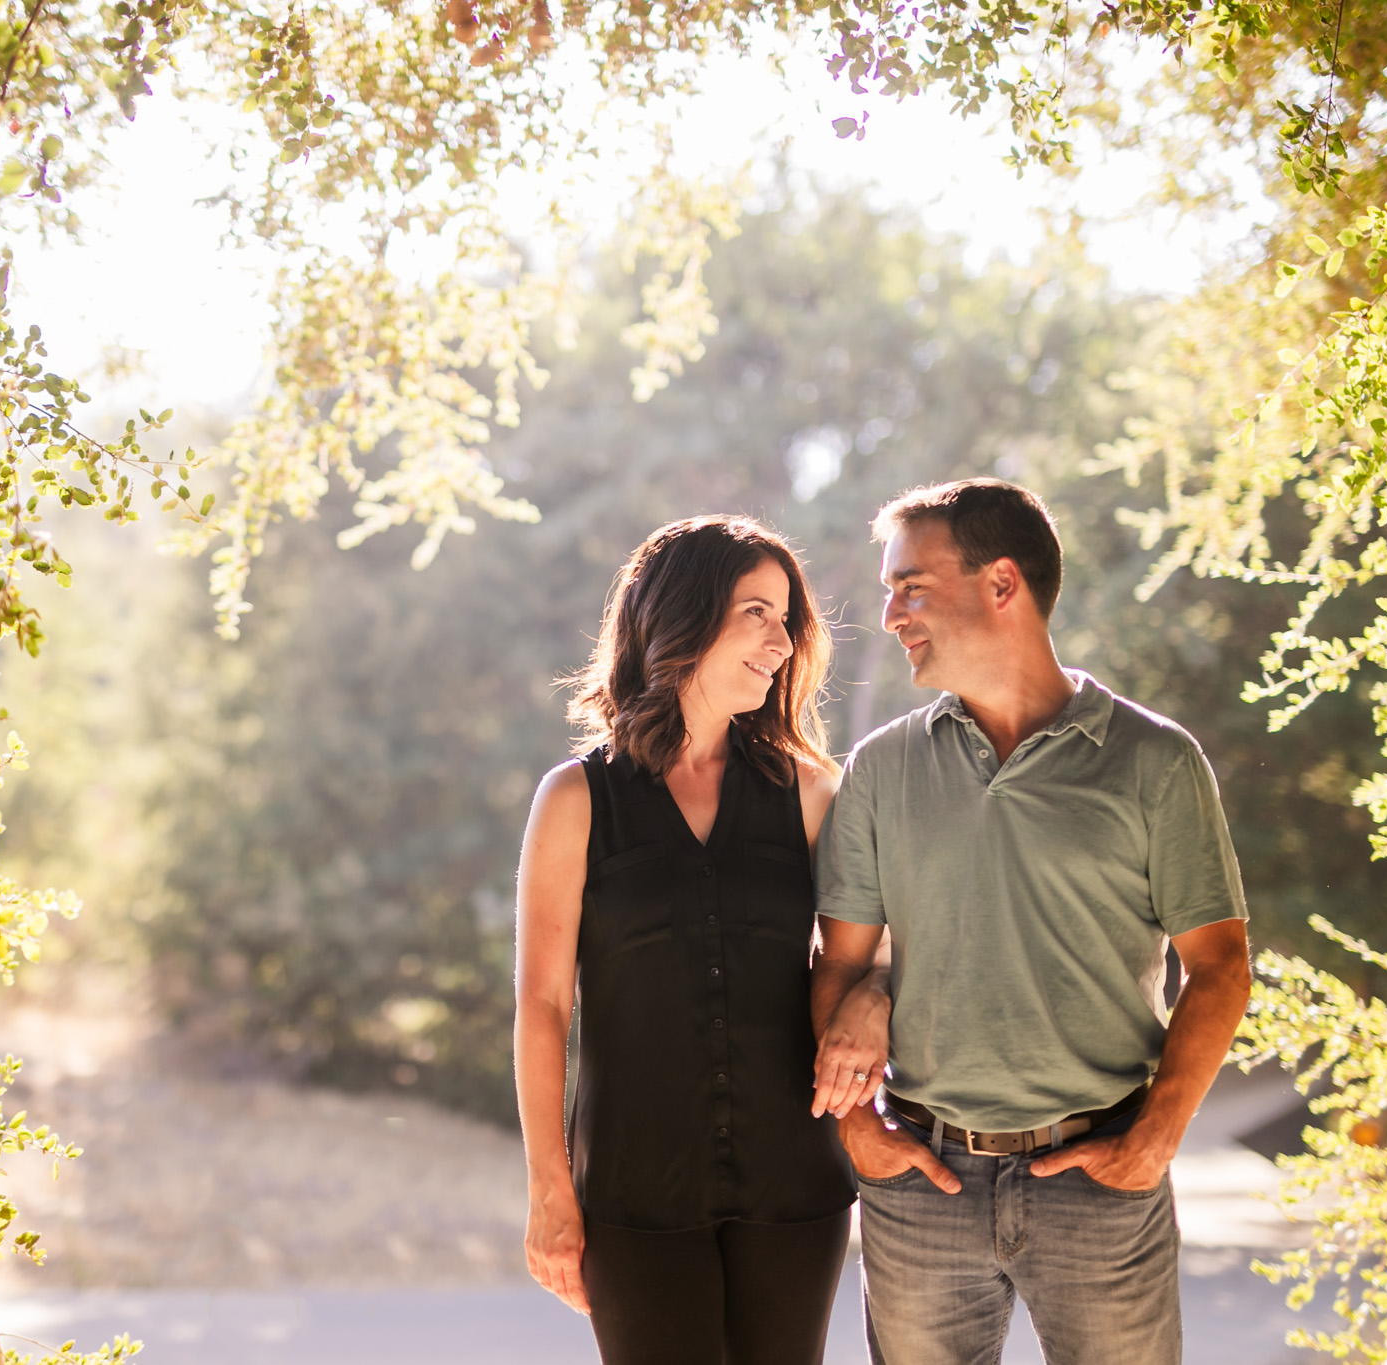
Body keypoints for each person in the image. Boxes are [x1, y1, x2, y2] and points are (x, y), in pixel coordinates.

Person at [809, 479, 1253, 1365]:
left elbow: (1222, 965)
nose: (891, 614)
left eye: (911, 586)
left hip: (1101, 1176)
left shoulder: (1154, 762)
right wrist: (858, 1130)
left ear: (1001, 583)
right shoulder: (881, 770)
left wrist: (1154, 1139)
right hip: (921, 1183)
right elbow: (836, 964)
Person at [514, 515, 858, 1365]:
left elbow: (863, 962)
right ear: (682, 615)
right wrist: (551, 1189)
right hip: (634, 1192)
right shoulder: (575, 799)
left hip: (795, 1184)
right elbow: (543, 1006)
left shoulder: (813, 793)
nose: (781, 641)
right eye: (756, 612)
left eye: (786, 618)